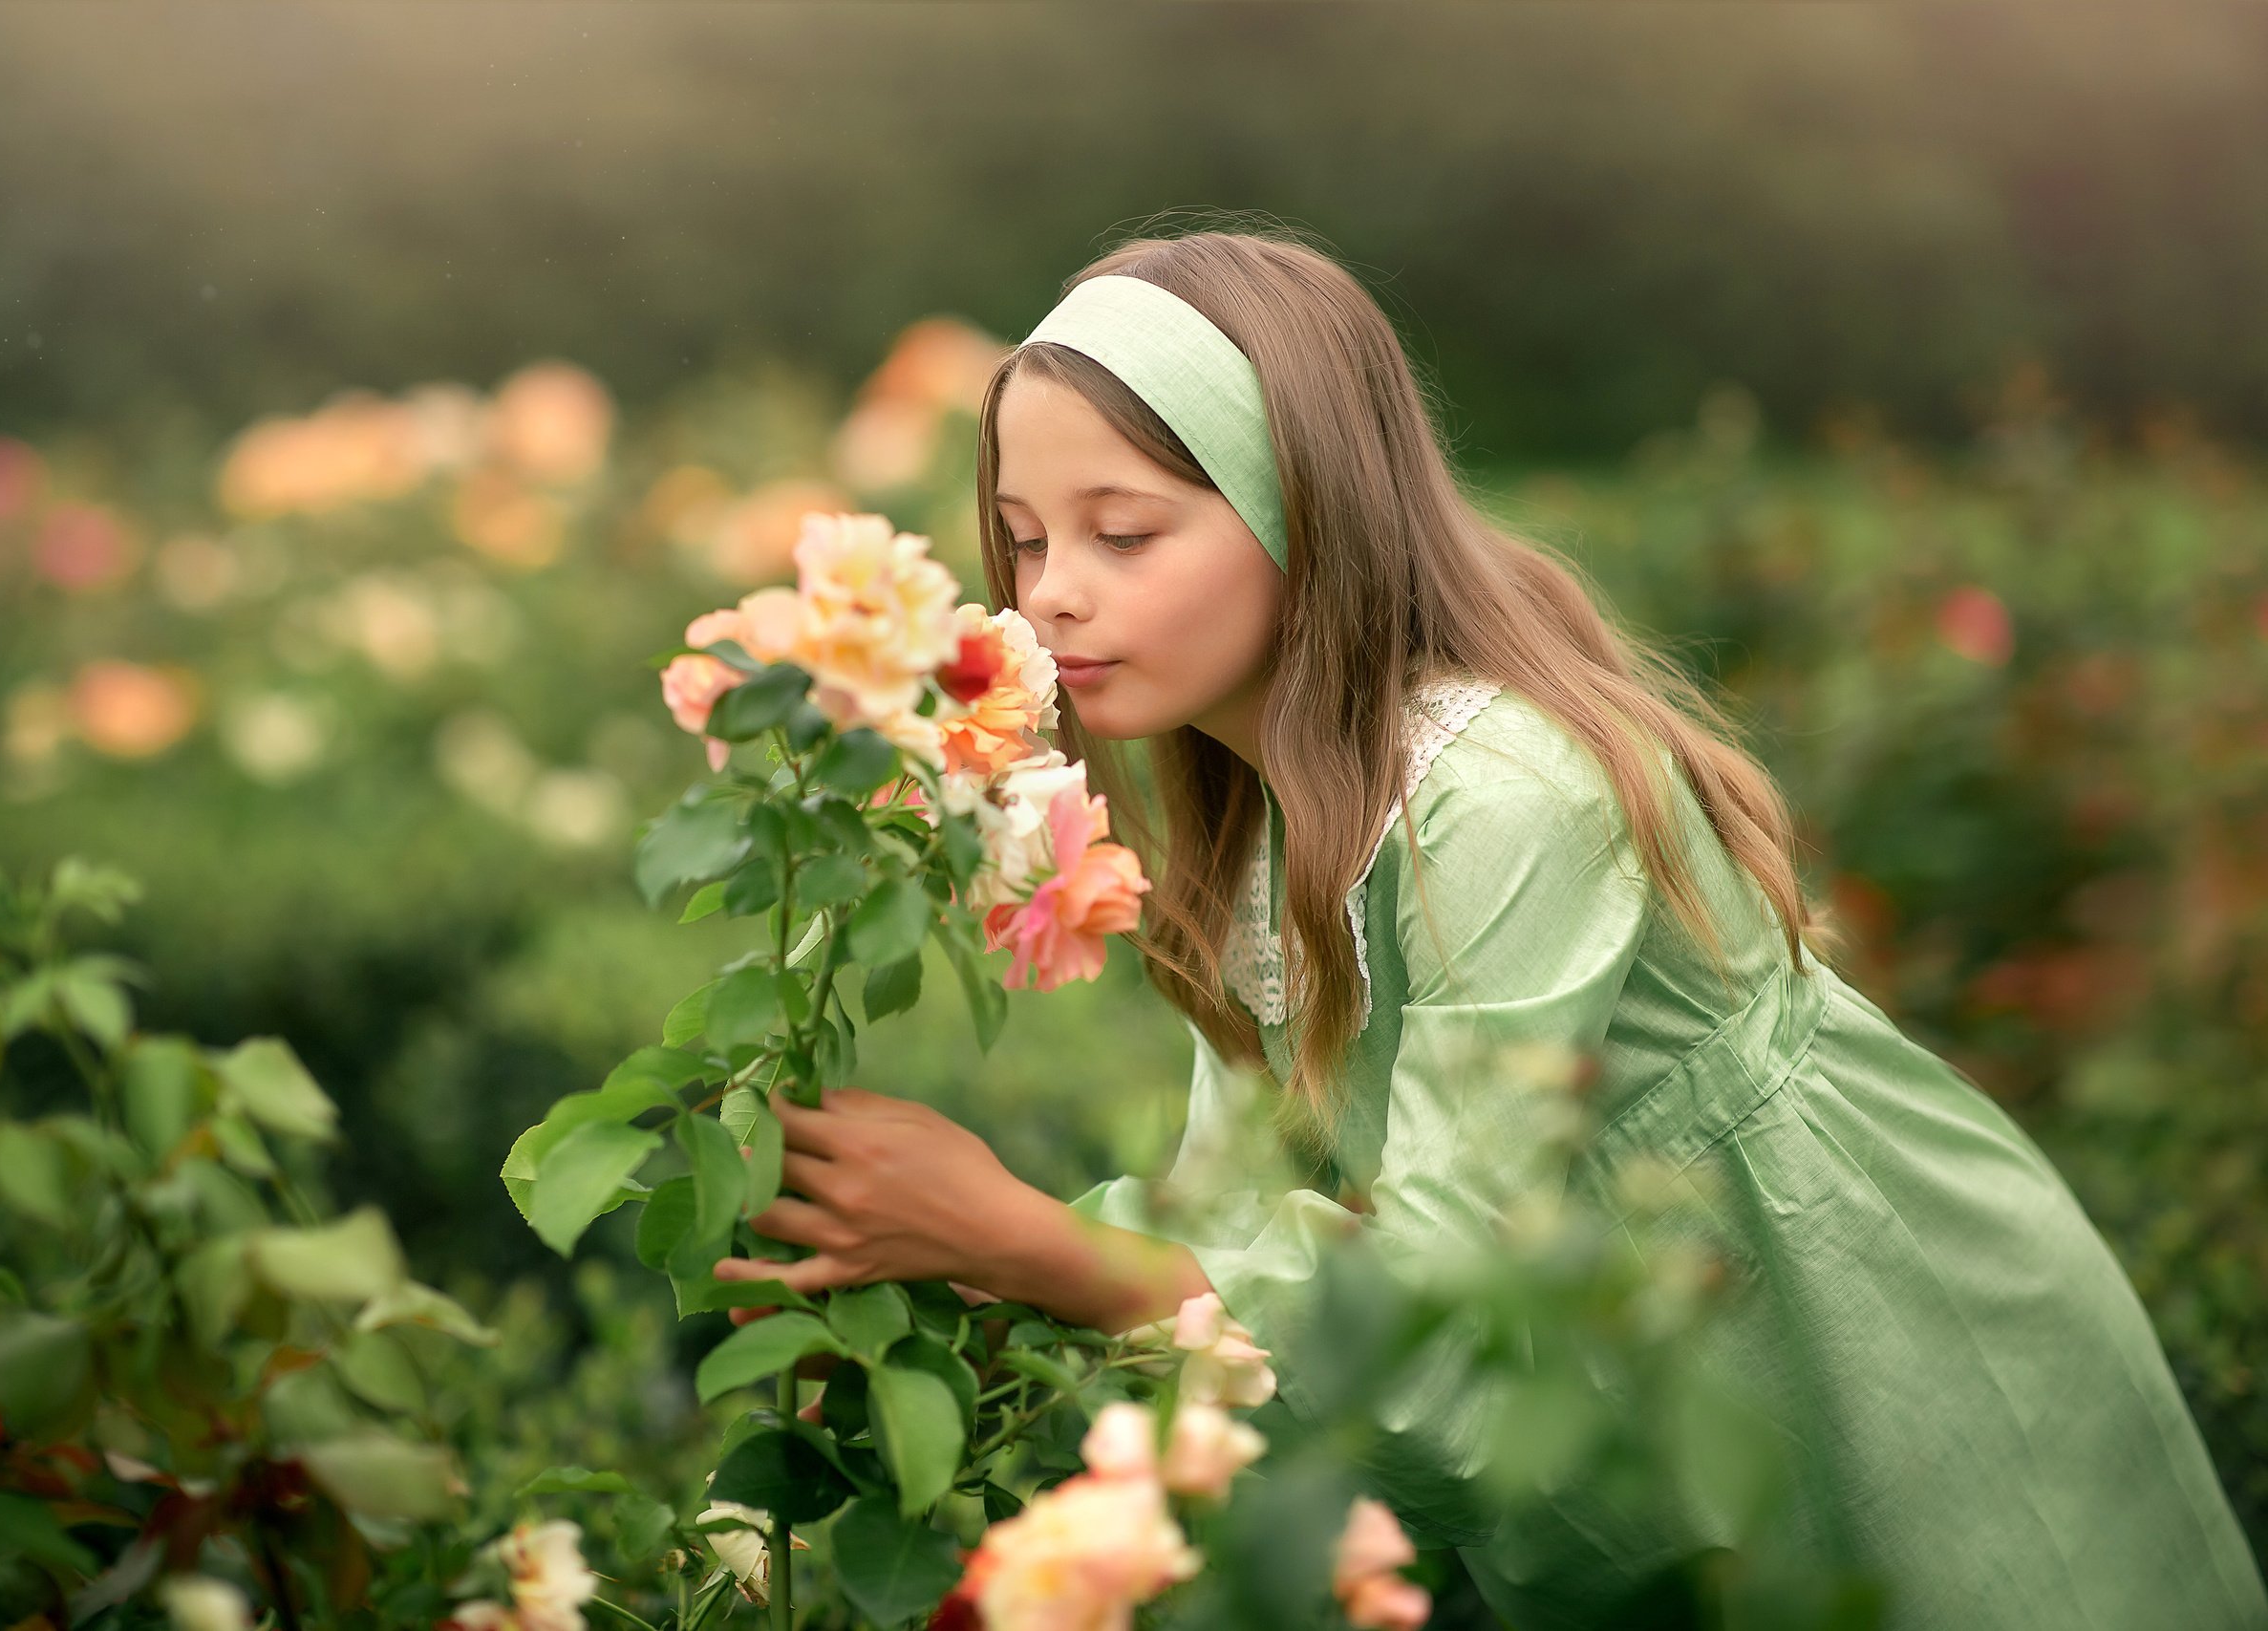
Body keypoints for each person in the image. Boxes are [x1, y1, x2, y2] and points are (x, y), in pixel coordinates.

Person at [712, 229, 2266, 1627]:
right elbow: (1244, 1200)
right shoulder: (1259, 806)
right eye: (1026, 538)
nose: (1049, 597)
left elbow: (1440, 1294)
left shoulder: (1503, 794)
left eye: (1125, 531)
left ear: (1302, 511)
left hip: (1864, 1336)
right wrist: (983, 1284)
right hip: (1630, 1352)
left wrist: (1037, 1242)